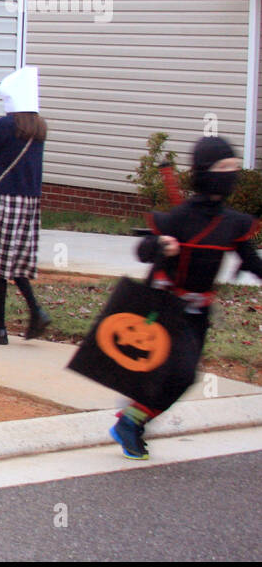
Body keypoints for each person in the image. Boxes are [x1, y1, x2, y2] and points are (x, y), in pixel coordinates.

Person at [113, 136, 262, 459]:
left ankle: (132, 420)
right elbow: (143, 250)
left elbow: (251, 261)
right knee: (178, 372)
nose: (232, 173)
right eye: (225, 167)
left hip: (199, 312)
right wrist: (162, 246)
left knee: (183, 377)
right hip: (164, 307)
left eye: (235, 167)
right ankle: (129, 422)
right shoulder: (180, 218)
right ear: (207, 171)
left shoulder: (232, 222)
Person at [0, 67, 49, 344]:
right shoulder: (39, 128)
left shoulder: (5, 126)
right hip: (30, 201)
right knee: (14, 261)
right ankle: (36, 311)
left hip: (6, 199)